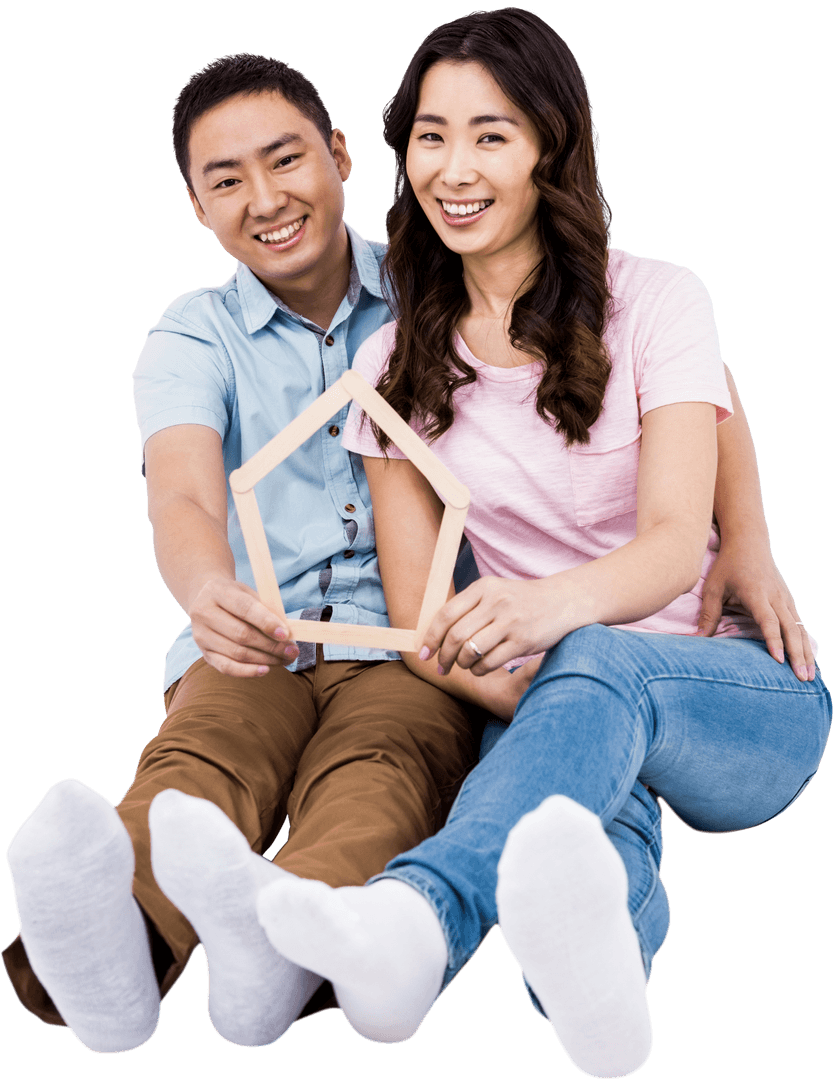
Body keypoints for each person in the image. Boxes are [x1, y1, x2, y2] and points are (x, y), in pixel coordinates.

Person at [1, 40, 815, 1062]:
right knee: (218, 760)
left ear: (342, 156)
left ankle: (357, 924)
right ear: (195, 207)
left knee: (389, 772)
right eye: (433, 137)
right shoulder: (290, 344)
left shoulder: (526, 285)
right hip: (302, 633)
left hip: (558, 660)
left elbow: (698, 392)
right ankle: (117, 947)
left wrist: (746, 534)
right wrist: (210, 589)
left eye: (285, 158)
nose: (264, 197)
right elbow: (182, 497)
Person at [251, 9, 832, 1078]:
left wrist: (579, 630)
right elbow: (422, 620)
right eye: (430, 134)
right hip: (552, 688)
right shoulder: (388, 365)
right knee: (572, 842)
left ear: (548, 150)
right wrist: (555, 711)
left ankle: (417, 922)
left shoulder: (657, 299)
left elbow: (667, 549)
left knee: (598, 666)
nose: (453, 167)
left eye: (491, 134)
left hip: (740, 694)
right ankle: (608, 995)